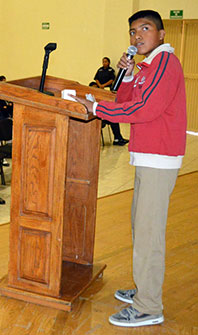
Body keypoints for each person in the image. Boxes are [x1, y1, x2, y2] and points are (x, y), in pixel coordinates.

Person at [72, 10, 186, 328]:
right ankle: (143, 289)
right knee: (140, 226)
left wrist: (95, 107)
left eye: (145, 29)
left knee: (149, 234)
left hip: (158, 156)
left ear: (161, 34)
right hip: (148, 156)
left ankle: (149, 306)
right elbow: (125, 99)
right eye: (133, 32)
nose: (137, 37)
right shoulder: (148, 66)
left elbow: (144, 109)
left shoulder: (164, 62)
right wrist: (127, 73)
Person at [92, 57, 129, 145]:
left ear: (108, 62)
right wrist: (99, 85)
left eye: (105, 61)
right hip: (97, 113)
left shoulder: (110, 70)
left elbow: (112, 80)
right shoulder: (100, 70)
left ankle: (117, 139)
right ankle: (118, 138)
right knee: (112, 118)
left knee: (113, 117)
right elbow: (96, 78)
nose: (104, 63)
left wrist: (104, 85)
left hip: (107, 90)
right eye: (103, 61)